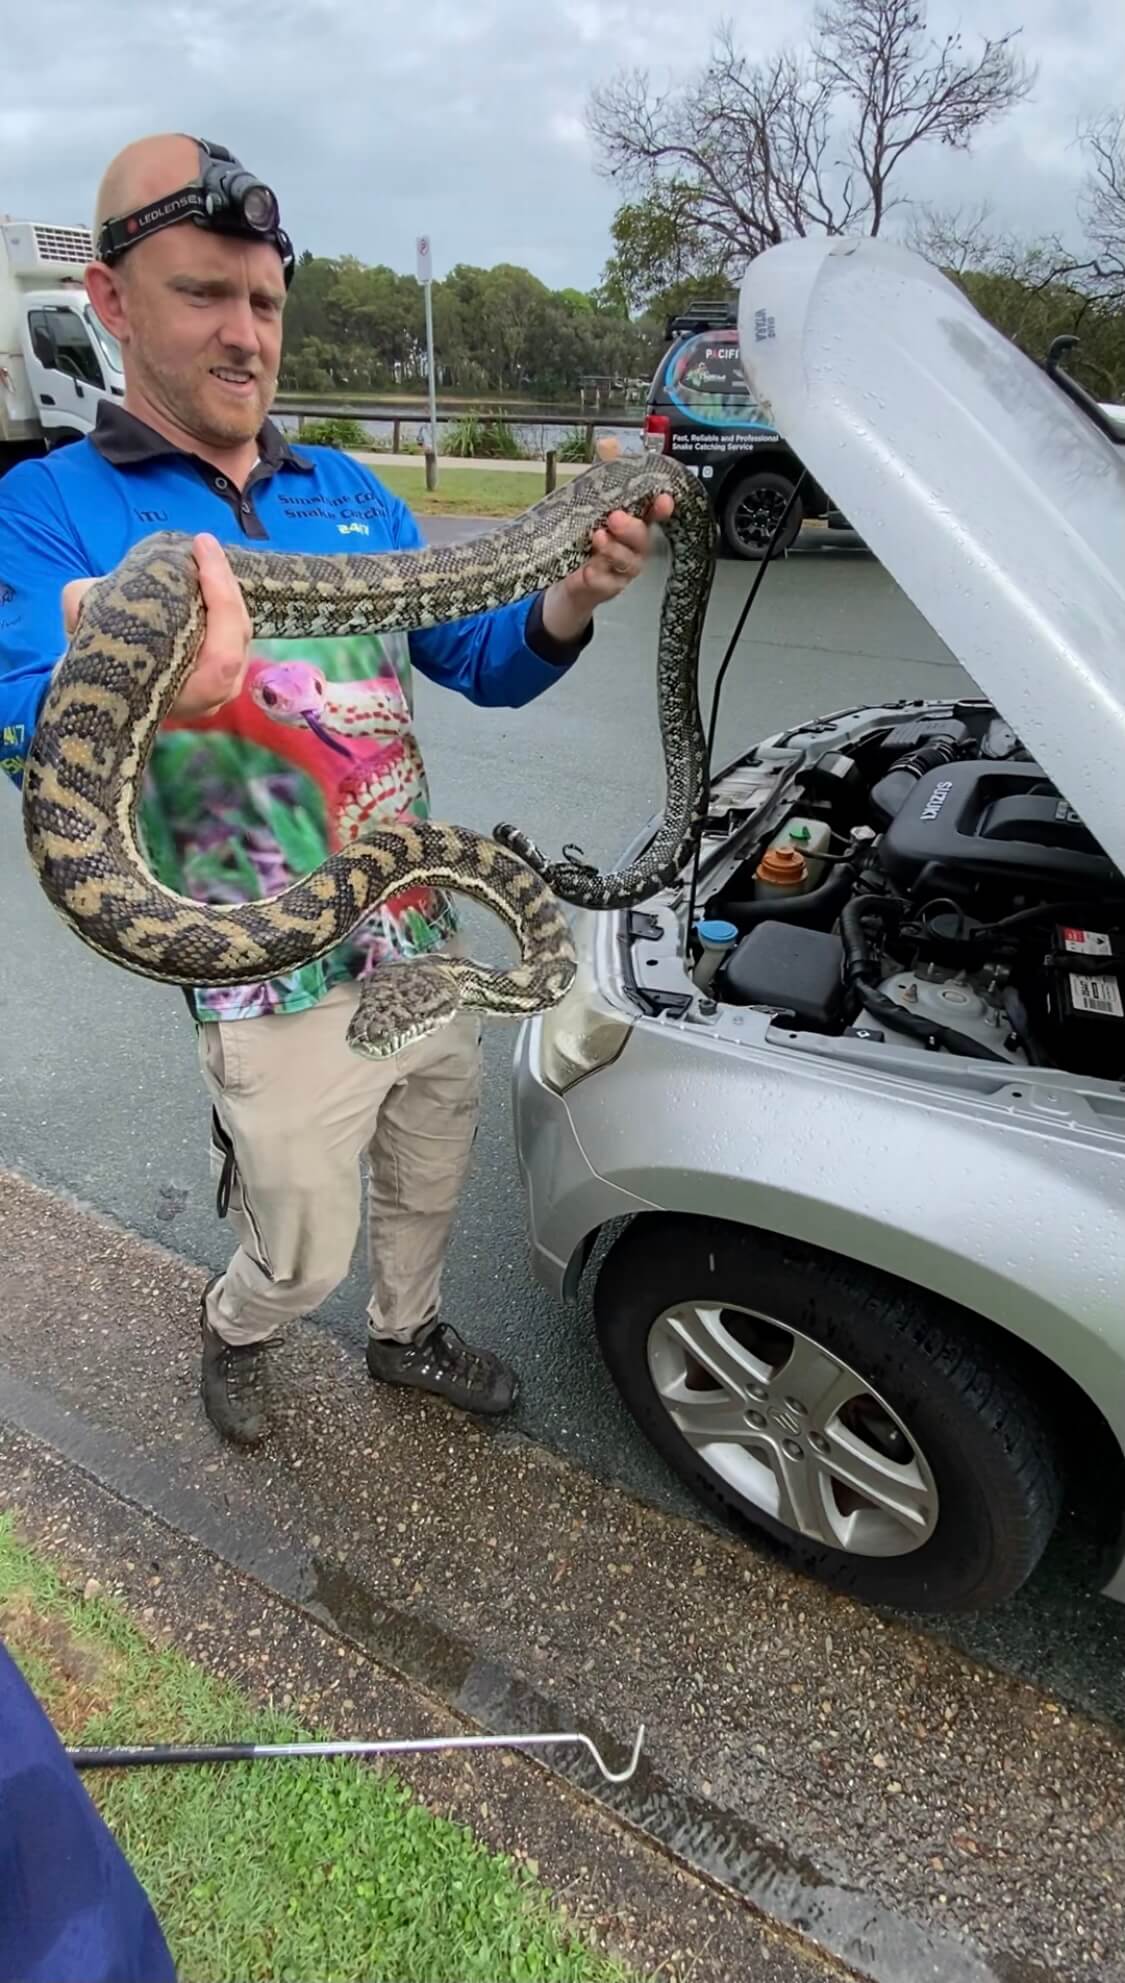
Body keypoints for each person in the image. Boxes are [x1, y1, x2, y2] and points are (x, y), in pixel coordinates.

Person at [0, 134, 673, 1447]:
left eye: (264, 301)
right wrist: (117, 653)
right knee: (302, 1237)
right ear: (114, 305)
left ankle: (406, 1330)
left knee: (430, 1170)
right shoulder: (47, 505)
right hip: (266, 985)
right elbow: (13, 696)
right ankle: (243, 1323)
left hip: (418, 939)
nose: (246, 334)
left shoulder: (347, 491)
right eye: (205, 294)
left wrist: (570, 595)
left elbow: (478, 658)